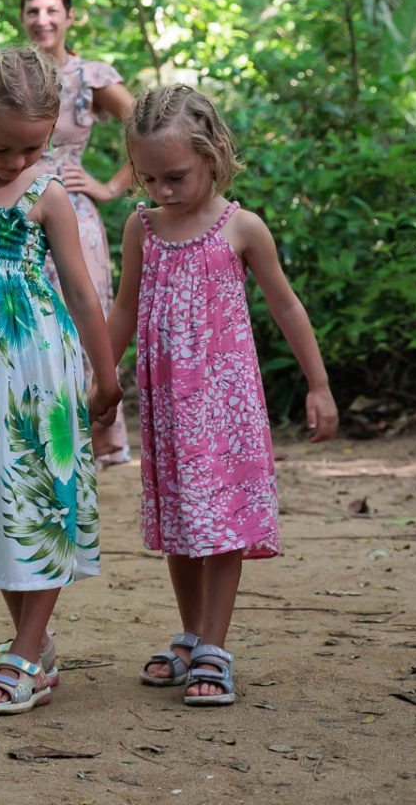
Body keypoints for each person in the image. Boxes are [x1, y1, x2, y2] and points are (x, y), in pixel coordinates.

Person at [106, 84, 338, 706]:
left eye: (175, 176)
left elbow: (286, 306)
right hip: (165, 404)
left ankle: (215, 645)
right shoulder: (142, 228)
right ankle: (187, 635)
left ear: (213, 154)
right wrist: (101, 377)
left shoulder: (242, 228)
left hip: (224, 404)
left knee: (222, 524)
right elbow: (124, 307)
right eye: (149, 178)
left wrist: (318, 386)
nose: (162, 190)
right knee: (181, 522)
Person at [0, 47, 122, 716]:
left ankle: (26, 652)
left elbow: (85, 297)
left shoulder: (48, 194)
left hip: (37, 376)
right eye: (4, 148)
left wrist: (106, 379)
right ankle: (32, 645)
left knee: (38, 511)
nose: (17, 164)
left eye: (32, 150)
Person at [19, 0, 134, 468]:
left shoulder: (92, 77)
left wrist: (111, 186)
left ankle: (101, 438)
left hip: (74, 208)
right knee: (28, 321)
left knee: (85, 315)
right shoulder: (14, 72)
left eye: (51, 10)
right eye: (33, 11)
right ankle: (41, 436)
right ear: (22, 17)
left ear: (69, 16)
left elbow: (150, 124)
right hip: (18, 211)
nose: (42, 20)